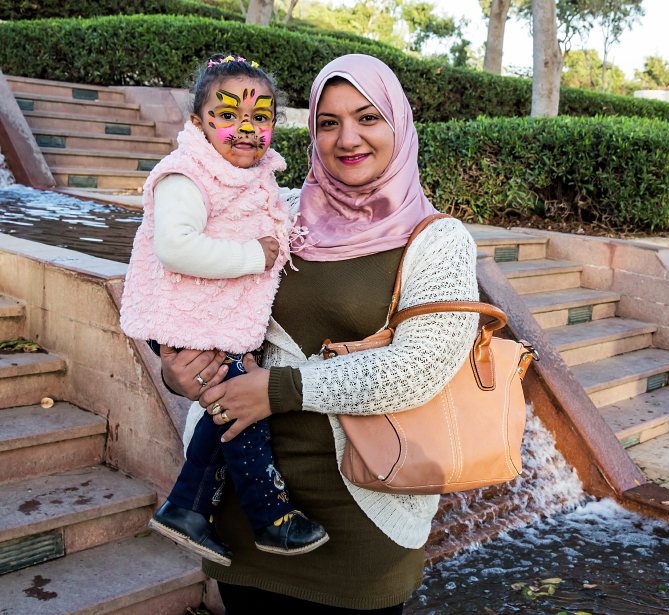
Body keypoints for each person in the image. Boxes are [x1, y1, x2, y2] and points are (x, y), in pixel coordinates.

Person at [161, 54, 480, 613]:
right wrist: (179, 368)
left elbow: (419, 367)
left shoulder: (438, 240)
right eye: (327, 122)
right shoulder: (275, 214)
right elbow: (195, 301)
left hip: (362, 515)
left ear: (399, 124)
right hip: (242, 507)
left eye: (367, 117)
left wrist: (277, 390)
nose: (347, 138)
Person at [119, 54, 328, 567]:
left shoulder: (254, 178)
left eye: (261, 117)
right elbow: (175, 247)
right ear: (196, 123)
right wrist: (254, 256)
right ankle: (271, 517)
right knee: (239, 412)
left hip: (209, 320)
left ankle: (186, 510)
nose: (246, 128)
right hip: (184, 319)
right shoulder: (185, 175)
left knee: (222, 412)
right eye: (229, 113)